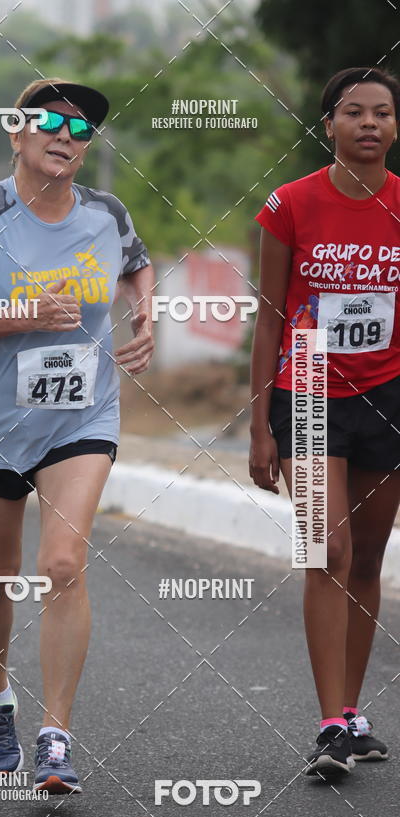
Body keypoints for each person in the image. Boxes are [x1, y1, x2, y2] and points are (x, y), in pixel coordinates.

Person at [0, 78, 154, 794]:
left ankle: (56, 737)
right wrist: (21, 314)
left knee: (62, 564)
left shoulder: (105, 214)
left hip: (79, 417)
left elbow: (138, 264)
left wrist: (147, 315)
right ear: (17, 136)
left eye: (81, 129)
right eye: (49, 121)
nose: (66, 135)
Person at [250, 67, 400, 779]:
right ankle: (331, 721)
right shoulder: (291, 204)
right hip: (305, 385)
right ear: (329, 124)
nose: (369, 124)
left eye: (382, 114)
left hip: (388, 394)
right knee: (326, 549)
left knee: (368, 559)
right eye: (354, 113)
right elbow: (270, 317)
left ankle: (353, 712)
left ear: (395, 128)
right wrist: (258, 426)